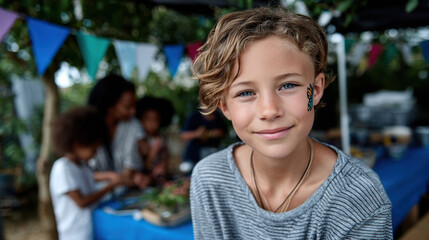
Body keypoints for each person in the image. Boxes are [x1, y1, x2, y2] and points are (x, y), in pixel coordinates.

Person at [190, 7, 392, 239]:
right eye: (246, 92)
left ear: (315, 90)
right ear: (224, 106)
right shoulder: (210, 180)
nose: (269, 111)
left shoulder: (357, 196)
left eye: (288, 86)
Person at [49, 107, 123, 240]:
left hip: (89, 231)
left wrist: (109, 176)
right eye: (93, 149)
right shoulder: (62, 168)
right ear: (77, 144)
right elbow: (81, 201)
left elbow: (90, 178)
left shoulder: (82, 165)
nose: (95, 154)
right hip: (74, 235)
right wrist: (110, 186)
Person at [87, 74, 144, 187]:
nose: (133, 112)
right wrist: (112, 176)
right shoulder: (86, 129)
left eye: (134, 106)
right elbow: (83, 172)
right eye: (127, 107)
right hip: (94, 197)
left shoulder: (132, 125)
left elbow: (130, 166)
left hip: (124, 194)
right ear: (109, 107)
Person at [135, 96, 175, 187]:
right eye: (148, 119)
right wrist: (153, 152)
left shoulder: (161, 139)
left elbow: (164, 158)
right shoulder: (141, 141)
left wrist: (162, 167)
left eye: (155, 120)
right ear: (141, 120)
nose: (152, 124)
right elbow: (145, 166)